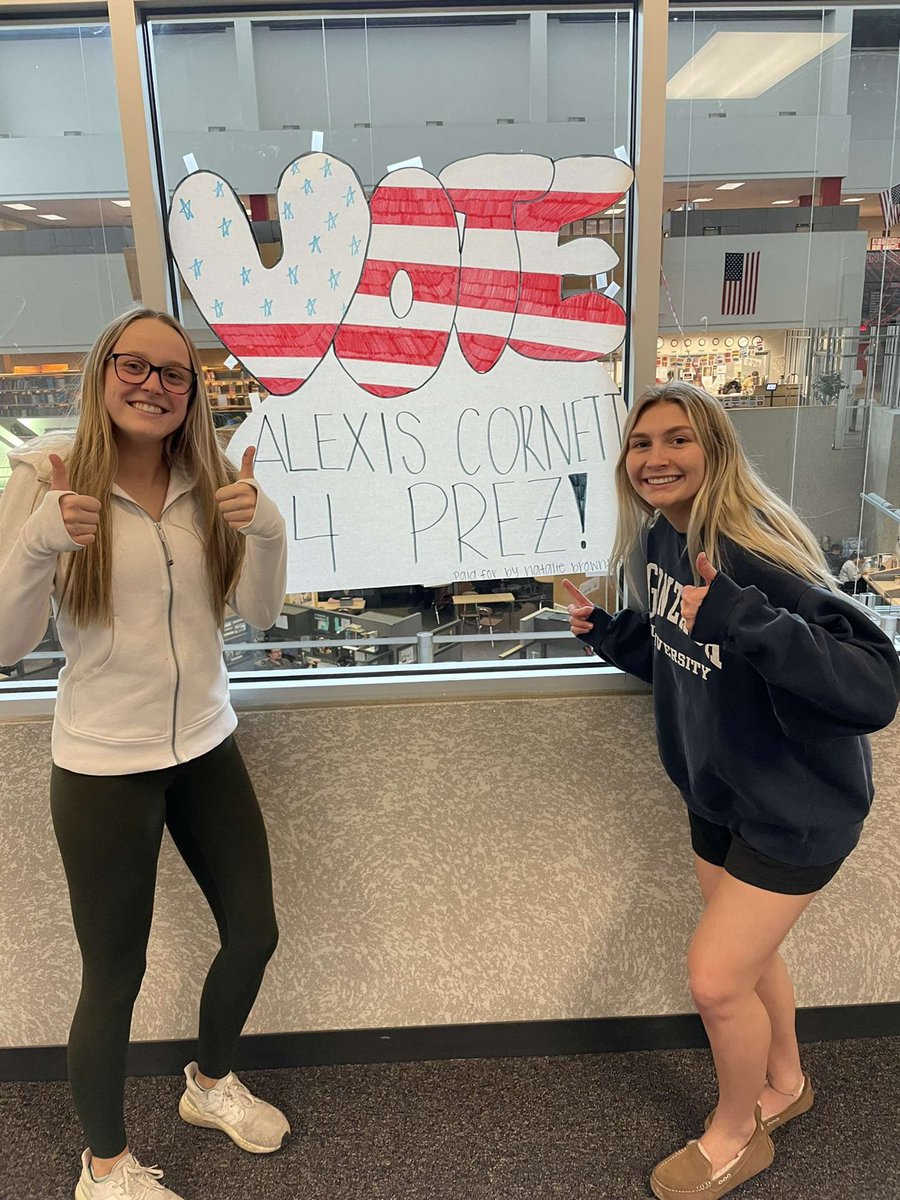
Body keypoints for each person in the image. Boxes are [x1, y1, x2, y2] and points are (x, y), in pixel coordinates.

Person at [564, 382, 900, 1200]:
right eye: (642, 444)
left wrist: (747, 616)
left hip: (796, 810)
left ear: (714, 452)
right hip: (718, 792)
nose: (656, 458)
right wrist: (617, 638)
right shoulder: (661, 541)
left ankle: (737, 1132)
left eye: (678, 440)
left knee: (715, 981)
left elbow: (873, 690)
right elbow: (689, 658)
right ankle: (785, 1086)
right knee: (747, 964)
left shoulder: (753, 553)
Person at [0, 308, 290, 1200]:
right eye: (136, 365)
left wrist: (268, 534)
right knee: (113, 973)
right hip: (100, 766)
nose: (154, 385)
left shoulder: (213, 482)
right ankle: (106, 1166)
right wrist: (36, 544)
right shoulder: (44, 476)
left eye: (174, 373)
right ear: (102, 370)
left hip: (206, 743)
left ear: (192, 393)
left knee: (254, 931)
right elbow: (6, 644)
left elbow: (262, 615)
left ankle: (207, 1086)